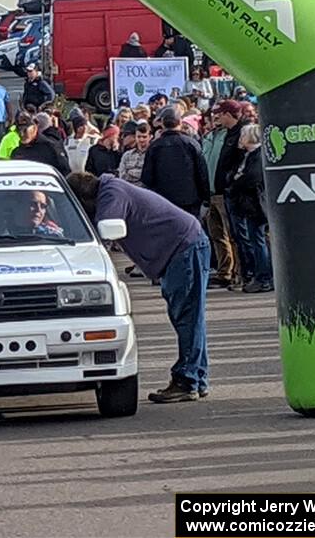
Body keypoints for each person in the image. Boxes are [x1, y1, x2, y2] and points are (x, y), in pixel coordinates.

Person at [68, 172, 210, 402]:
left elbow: (102, 237)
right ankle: (196, 376)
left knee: (187, 317)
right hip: (183, 246)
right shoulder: (112, 188)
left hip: (182, 248)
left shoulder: (111, 195)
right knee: (191, 317)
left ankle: (187, 380)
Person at [226, 125, 273, 293]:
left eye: (243, 136)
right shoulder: (246, 155)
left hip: (256, 205)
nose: (240, 139)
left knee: (258, 240)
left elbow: (251, 177)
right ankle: (259, 275)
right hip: (247, 204)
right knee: (254, 239)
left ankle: (264, 277)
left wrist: (237, 182)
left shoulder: (258, 156)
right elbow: (233, 173)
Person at [140, 106, 210, 217]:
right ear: (180, 122)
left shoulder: (155, 146)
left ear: (162, 123)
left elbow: (147, 178)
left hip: (164, 203)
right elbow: (202, 174)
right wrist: (206, 199)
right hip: (189, 202)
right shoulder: (191, 144)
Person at [214, 100, 253, 288]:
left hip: (238, 193)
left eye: (220, 114)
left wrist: (230, 179)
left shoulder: (242, 132)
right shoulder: (229, 134)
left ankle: (249, 274)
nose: (217, 117)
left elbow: (242, 163)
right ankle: (243, 273)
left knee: (243, 236)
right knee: (235, 236)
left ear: (228, 115)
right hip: (228, 191)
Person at [201, 109, 235, 289]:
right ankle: (224, 271)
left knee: (232, 234)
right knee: (216, 235)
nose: (215, 119)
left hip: (223, 193)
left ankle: (236, 272)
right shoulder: (207, 138)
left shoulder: (228, 137)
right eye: (212, 117)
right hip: (209, 193)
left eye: (218, 115)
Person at [118, 120, 151, 186]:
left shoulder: (152, 154)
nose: (141, 140)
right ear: (135, 137)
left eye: (144, 137)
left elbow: (148, 177)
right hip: (127, 189)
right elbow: (122, 176)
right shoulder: (127, 155)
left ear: (150, 137)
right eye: (139, 137)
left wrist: (130, 173)